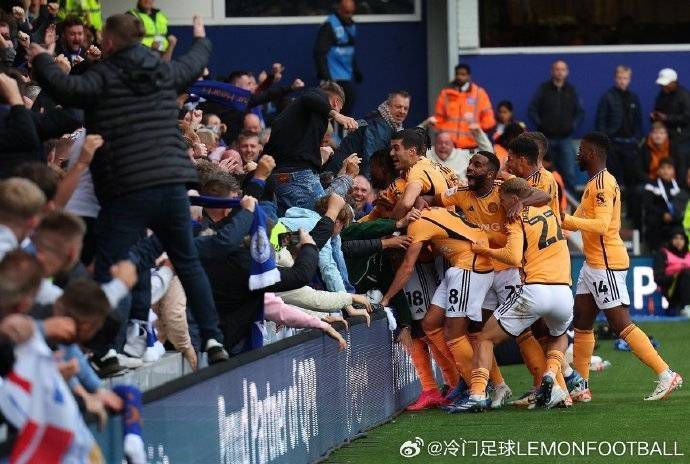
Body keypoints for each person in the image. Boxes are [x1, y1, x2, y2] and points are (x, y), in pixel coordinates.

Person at [29, 14, 230, 366]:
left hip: (127, 189)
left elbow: (65, 88)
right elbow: (197, 60)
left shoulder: (102, 76)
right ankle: (213, 339)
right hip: (171, 185)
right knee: (188, 263)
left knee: (108, 270)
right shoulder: (162, 72)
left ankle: (105, 348)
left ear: (108, 42)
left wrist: (41, 56)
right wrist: (201, 35)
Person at [562, 132, 682, 401]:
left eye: (581, 149)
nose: (578, 154)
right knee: (582, 321)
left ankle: (666, 374)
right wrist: (556, 220)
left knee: (619, 324)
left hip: (607, 263)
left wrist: (566, 219)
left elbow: (603, 226)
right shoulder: (593, 183)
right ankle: (580, 386)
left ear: (592, 154)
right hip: (593, 264)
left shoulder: (604, 184)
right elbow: (573, 221)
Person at [456, 177, 573, 411]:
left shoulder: (516, 217)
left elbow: (513, 257)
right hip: (563, 292)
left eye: (503, 200)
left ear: (514, 199)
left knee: (485, 338)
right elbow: (546, 196)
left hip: (535, 290)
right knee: (559, 335)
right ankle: (551, 375)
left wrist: (484, 249)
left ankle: (477, 395)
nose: (501, 205)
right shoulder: (550, 212)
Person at [380, 207, 493, 407]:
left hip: (469, 266)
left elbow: (408, 266)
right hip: (459, 267)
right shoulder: (435, 210)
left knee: (456, 334)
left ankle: (477, 388)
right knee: (430, 323)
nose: (386, 195)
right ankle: (464, 383)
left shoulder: (418, 221)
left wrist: (387, 298)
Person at [264, 81, 357, 215]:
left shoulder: (296, 116)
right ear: (336, 102)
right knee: (325, 216)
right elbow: (311, 97)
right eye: (340, 109)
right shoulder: (314, 95)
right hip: (299, 178)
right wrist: (337, 115)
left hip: (280, 179)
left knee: (292, 229)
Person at [528, 60, 585, 190]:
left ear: (567, 72)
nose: (560, 72)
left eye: (562, 69)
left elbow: (580, 112)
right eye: (557, 69)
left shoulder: (572, 90)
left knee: (569, 173)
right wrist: (541, 125)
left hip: (566, 138)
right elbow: (532, 109)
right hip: (547, 139)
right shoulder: (543, 89)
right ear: (552, 71)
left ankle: (570, 206)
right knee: (546, 172)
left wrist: (572, 126)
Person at [326, 90, 410, 177]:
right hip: (340, 176)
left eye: (406, 108)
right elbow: (370, 162)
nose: (402, 111)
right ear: (388, 105)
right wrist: (370, 188)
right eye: (398, 107)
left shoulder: (386, 122)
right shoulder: (378, 125)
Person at [595, 66, 643, 193]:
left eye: (625, 78)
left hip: (630, 145)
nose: (622, 81)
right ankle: (611, 212)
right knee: (611, 182)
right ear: (615, 79)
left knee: (632, 181)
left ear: (629, 80)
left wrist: (637, 139)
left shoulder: (634, 97)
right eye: (620, 78)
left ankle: (633, 213)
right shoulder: (607, 97)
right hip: (613, 144)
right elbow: (600, 122)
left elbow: (638, 121)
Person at [313, 0, 362, 116]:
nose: (349, 15)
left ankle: (341, 130)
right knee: (341, 102)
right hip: (333, 75)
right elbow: (319, 52)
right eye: (346, 12)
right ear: (339, 10)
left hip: (346, 74)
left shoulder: (351, 25)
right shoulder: (329, 26)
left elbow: (350, 50)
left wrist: (356, 70)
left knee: (347, 101)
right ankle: (337, 130)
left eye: (351, 12)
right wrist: (326, 76)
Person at [432, 63, 496, 149]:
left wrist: (477, 130)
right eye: (457, 74)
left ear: (469, 76)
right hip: (450, 145)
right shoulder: (446, 93)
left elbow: (488, 119)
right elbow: (438, 118)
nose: (459, 77)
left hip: (472, 145)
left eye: (463, 74)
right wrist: (443, 133)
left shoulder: (479, 93)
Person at [652, 68, 690, 180]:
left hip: (682, 139)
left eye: (666, 84)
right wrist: (655, 117)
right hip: (666, 139)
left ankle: (681, 190)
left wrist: (667, 118)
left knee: (681, 164)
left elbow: (687, 117)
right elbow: (657, 109)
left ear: (673, 82)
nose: (664, 87)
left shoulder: (684, 96)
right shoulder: (661, 94)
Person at [642, 158, 686, 251]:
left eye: (669, 168)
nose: (666, 171)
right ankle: (656, 250)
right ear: (658, 171)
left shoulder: (680, 186)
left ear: (674, 171)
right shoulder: (651, 185)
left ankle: (681, 251)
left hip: (676, 218)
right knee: (652, 220)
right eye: (663, 168)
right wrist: (663, 214)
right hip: (659, 218)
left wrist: (674, 215)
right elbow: (648, 205)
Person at [426, 128, 493, 182]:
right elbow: (415, 143)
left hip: (460, 192)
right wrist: (425, 124)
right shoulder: (426, 153)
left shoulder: (462, 154)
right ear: (434, 144)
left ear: (453, 145)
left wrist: (479, 134)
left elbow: (488, 153)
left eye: (447, 143)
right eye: (439, 143)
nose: (443, 146)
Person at [653, 228, 690, 316]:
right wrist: (675, 276)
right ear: (671, 240)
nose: (679, 241)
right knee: (685, 273)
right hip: (671, 290)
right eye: (676, 238)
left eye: (681, 238)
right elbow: (658, 278)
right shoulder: (663, 254)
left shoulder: (688, 254)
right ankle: (687, 307)